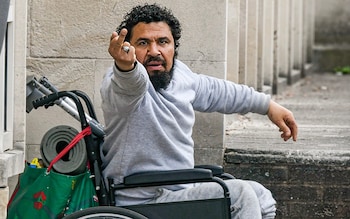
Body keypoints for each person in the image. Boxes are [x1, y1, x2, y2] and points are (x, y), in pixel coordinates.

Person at [100, 3, 298, 219]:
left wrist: (268, 106)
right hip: (141, 199)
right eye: (143, 43)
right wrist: (125, 66)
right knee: (239, 195)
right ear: (128, 48)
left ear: (174, 47)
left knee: (262, 197)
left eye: (163, 42)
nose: (154, 51)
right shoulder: (121, 86)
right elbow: (130, 82)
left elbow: (217, 92)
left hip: (180, 191)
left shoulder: (180, 76)